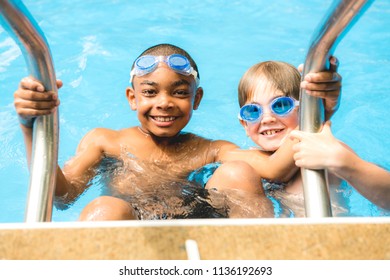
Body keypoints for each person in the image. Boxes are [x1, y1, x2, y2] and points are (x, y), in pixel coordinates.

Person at [13, 44, 342, 220]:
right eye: (151, 91)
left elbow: (274, 168)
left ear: (196, 99)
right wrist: (33, 128)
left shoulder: (209, 149)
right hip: (132, 242)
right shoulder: (105, 142)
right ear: (132, 97)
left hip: (203, 233)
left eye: (180, 92)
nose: (165, 103)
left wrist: (314, 110)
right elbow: (63, 196)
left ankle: (259, 257)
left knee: (239, 172)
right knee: (106, 210)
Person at [209, 60, 389, 217]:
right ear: (245, 125)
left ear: (304, 110)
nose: (267, 118)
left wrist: (344, 162)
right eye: (253, 111)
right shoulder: (252, 163)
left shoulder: (326, 152)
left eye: (280, 105)